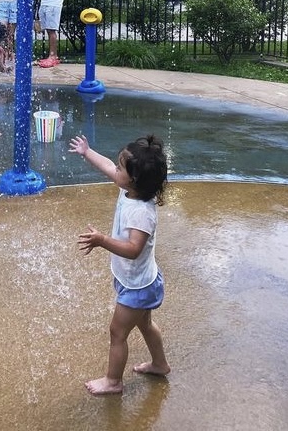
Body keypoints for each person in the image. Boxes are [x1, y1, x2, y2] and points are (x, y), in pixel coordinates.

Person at [68, 133, 170, 395]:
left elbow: (134, 250)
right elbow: (106, 166)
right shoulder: (130, 190)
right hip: (140, 280)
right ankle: (160, 364)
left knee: (117, 332)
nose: (115, 169)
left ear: (133, 178)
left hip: (138, 287)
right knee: (145, 324)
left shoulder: (142, 213)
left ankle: (113, 381)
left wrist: (102, 240)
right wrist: (87, 152)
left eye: (120, 167)